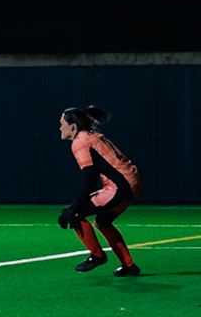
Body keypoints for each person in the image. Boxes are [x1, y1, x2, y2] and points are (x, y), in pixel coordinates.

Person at [57, 106, 142, 276]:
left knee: (75, 214)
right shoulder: (92, 136)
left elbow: (89, 180)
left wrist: (72, 208)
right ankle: (128, 265)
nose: (60, 128)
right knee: (103, 221)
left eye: (62, 124)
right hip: (133, 183)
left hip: (120, 187)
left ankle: (97, 255)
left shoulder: (80, 141)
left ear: (72, 127)